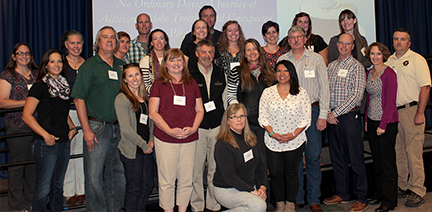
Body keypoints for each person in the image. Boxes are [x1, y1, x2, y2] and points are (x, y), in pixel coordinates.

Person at [71, 26, 126, 211]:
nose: (109, 40)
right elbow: (79, 99)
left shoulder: (121, 65)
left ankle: (115, 209)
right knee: (94, 176)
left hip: (119, 128)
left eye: (112, 37)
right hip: (96, 128)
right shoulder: (89, 66)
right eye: (105, 37)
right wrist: (86, 130)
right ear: (98, 42)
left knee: (117, 173)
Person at [277, 26, 329, 212]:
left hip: (314, 113)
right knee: (294, 158)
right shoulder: (282, 60)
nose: (296, 40)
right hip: (291, 114)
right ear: (288, 40)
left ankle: (314, 198)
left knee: (314, 157)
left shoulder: (316, 59)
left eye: (299, 37)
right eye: (292, 37)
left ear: (305, 39)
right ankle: (297, 197)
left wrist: (323, 115)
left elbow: (324, 88)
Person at [148, 48, 204, 212]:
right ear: (165, 63)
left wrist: (193, 128)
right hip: (165, 139)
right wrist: (170, 131)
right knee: (167, 180)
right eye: (172, 60)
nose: (176, 63)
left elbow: (200, 110)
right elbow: (153, 112)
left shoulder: (191, 83)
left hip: (189, 138)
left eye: (179, 60)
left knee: (187, 179)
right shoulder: (159, 84)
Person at [22, 48, 76, 211]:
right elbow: (27, 115)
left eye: (59, 61)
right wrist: (45, 135)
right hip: (46, 144)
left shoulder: (64, 86)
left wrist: (72, 127)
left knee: (58, 186)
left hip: (63, 142)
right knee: (43, 188)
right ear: (46, 65)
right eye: (52, 61)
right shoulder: (39, 87)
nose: (57, 64)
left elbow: (62, 110)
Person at [386, 28, 431, 208]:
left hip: (411, 110)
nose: (399, 42)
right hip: (393, 112)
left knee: (413, 152)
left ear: (409, 43)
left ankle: (417, 189)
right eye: (396, 39)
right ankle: (402, 185)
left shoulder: (417, 60)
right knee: (398, 151)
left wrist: (420, 112)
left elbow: (425, 87)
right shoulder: (389, 61)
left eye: (402, 39)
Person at [259, 60, 311, 212]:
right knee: (275, 174)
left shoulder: (301, 93)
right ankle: (280, 205)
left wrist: (293, 134)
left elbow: (306, 118)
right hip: (272, 141)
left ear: (291, 73)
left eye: (285, 71)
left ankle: (290, 205)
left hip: (295, 141)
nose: (282, 74)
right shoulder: (268, 92)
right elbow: (262, 117)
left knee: (291, 173)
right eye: (279, 71)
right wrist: (273, 134)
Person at [324, 33, 368, 212]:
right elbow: (324, 91)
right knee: (337, 158)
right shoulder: (331, 67)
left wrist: (335, 112)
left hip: (349, 117)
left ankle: (361, 197)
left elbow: (357, 96)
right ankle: (342, 193)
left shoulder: (357, 67)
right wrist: (327, 112)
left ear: (352, 46)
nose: (343, 46)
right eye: (341, 43)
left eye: (347, 43)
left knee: (355, 158)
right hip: (332, 118)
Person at [189, 40, 226, 212]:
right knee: (196, 170)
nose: (207, 56)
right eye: (203, 52)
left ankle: (213, 203)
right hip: (197, 128)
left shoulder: (220, 72)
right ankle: (197, 205)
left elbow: (225, 100)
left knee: (214, 168)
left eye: (210, 52)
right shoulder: (189, 73)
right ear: (197, 53)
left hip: (217, 127)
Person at [0, 42, 38, 211]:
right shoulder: (8, 76)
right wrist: (29, 103)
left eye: (27, 53)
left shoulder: (36, 75)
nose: (24, 56)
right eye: (20, 53)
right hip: (17, 127)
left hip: (37, 126)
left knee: (33, 166)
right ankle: (16, 206)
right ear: (14, 56)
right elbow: (2, 102)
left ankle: (31, 202)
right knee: (17, 167)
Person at [227, 38, 275, 164]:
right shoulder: (236, 72)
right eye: (248, 50)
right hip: (246, 125)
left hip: (266, 125)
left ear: (259, 51)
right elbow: (231, 97)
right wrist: (238, 119)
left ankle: (263, 184)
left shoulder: (269, 72)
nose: (252, 52)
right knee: (247, 161)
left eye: (254, 49)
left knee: (264, 161)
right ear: (244, 53)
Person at [115, 63, 155, 211]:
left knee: (148, 185)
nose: (134, 78)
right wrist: (143, 145)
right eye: (130, 76)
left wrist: (151, 140)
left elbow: (150, 121)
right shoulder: (122, 98)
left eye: (137, 74)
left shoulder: (144, 96)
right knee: (134, 188)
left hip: (147, 148)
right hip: (133, 150)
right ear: (124, 80)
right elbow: (125, 129)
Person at [213, 103, 268, 212]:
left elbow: (261, 166)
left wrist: (263, 187)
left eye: (241, 116)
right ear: (228, 121)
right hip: (226, 189)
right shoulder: (223, 144)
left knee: (258, 207)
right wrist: (252, 191)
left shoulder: (251, 138)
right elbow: (230, 177)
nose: (239, 120)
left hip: (247, 187)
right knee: (258, 206)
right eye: (234, 117)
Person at [364, 42, 398, 211]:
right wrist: (366, 121)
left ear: (384, 55)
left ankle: (389, 201)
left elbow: (391, 102)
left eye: (378, 54)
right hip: (372, 122)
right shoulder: (369, 73)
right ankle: (379, 194)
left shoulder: (389, 73)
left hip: (386, 123)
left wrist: (383, 124)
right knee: (377, 161)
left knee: (387, 163)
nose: (375, 57)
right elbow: (369, 99)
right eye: (372, 54)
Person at [60, 30, 86, 206]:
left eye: (79, 43)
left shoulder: (89, 64)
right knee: (69, 151)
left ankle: (83, 190)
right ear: (66, 45)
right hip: (66, 113)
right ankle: (69, 191)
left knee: (83, 150)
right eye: (72, 43)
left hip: (85, 112)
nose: (76, 46)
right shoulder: (60, 64)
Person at [140, 29, 171, 94]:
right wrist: (161, 92)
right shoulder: (145, 60)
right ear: (151, 43)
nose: (159, 41)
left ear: (165, 41)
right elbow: (145, 85)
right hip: (153, 97)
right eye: (155, 39)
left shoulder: (171, 59)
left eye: (161, 38)